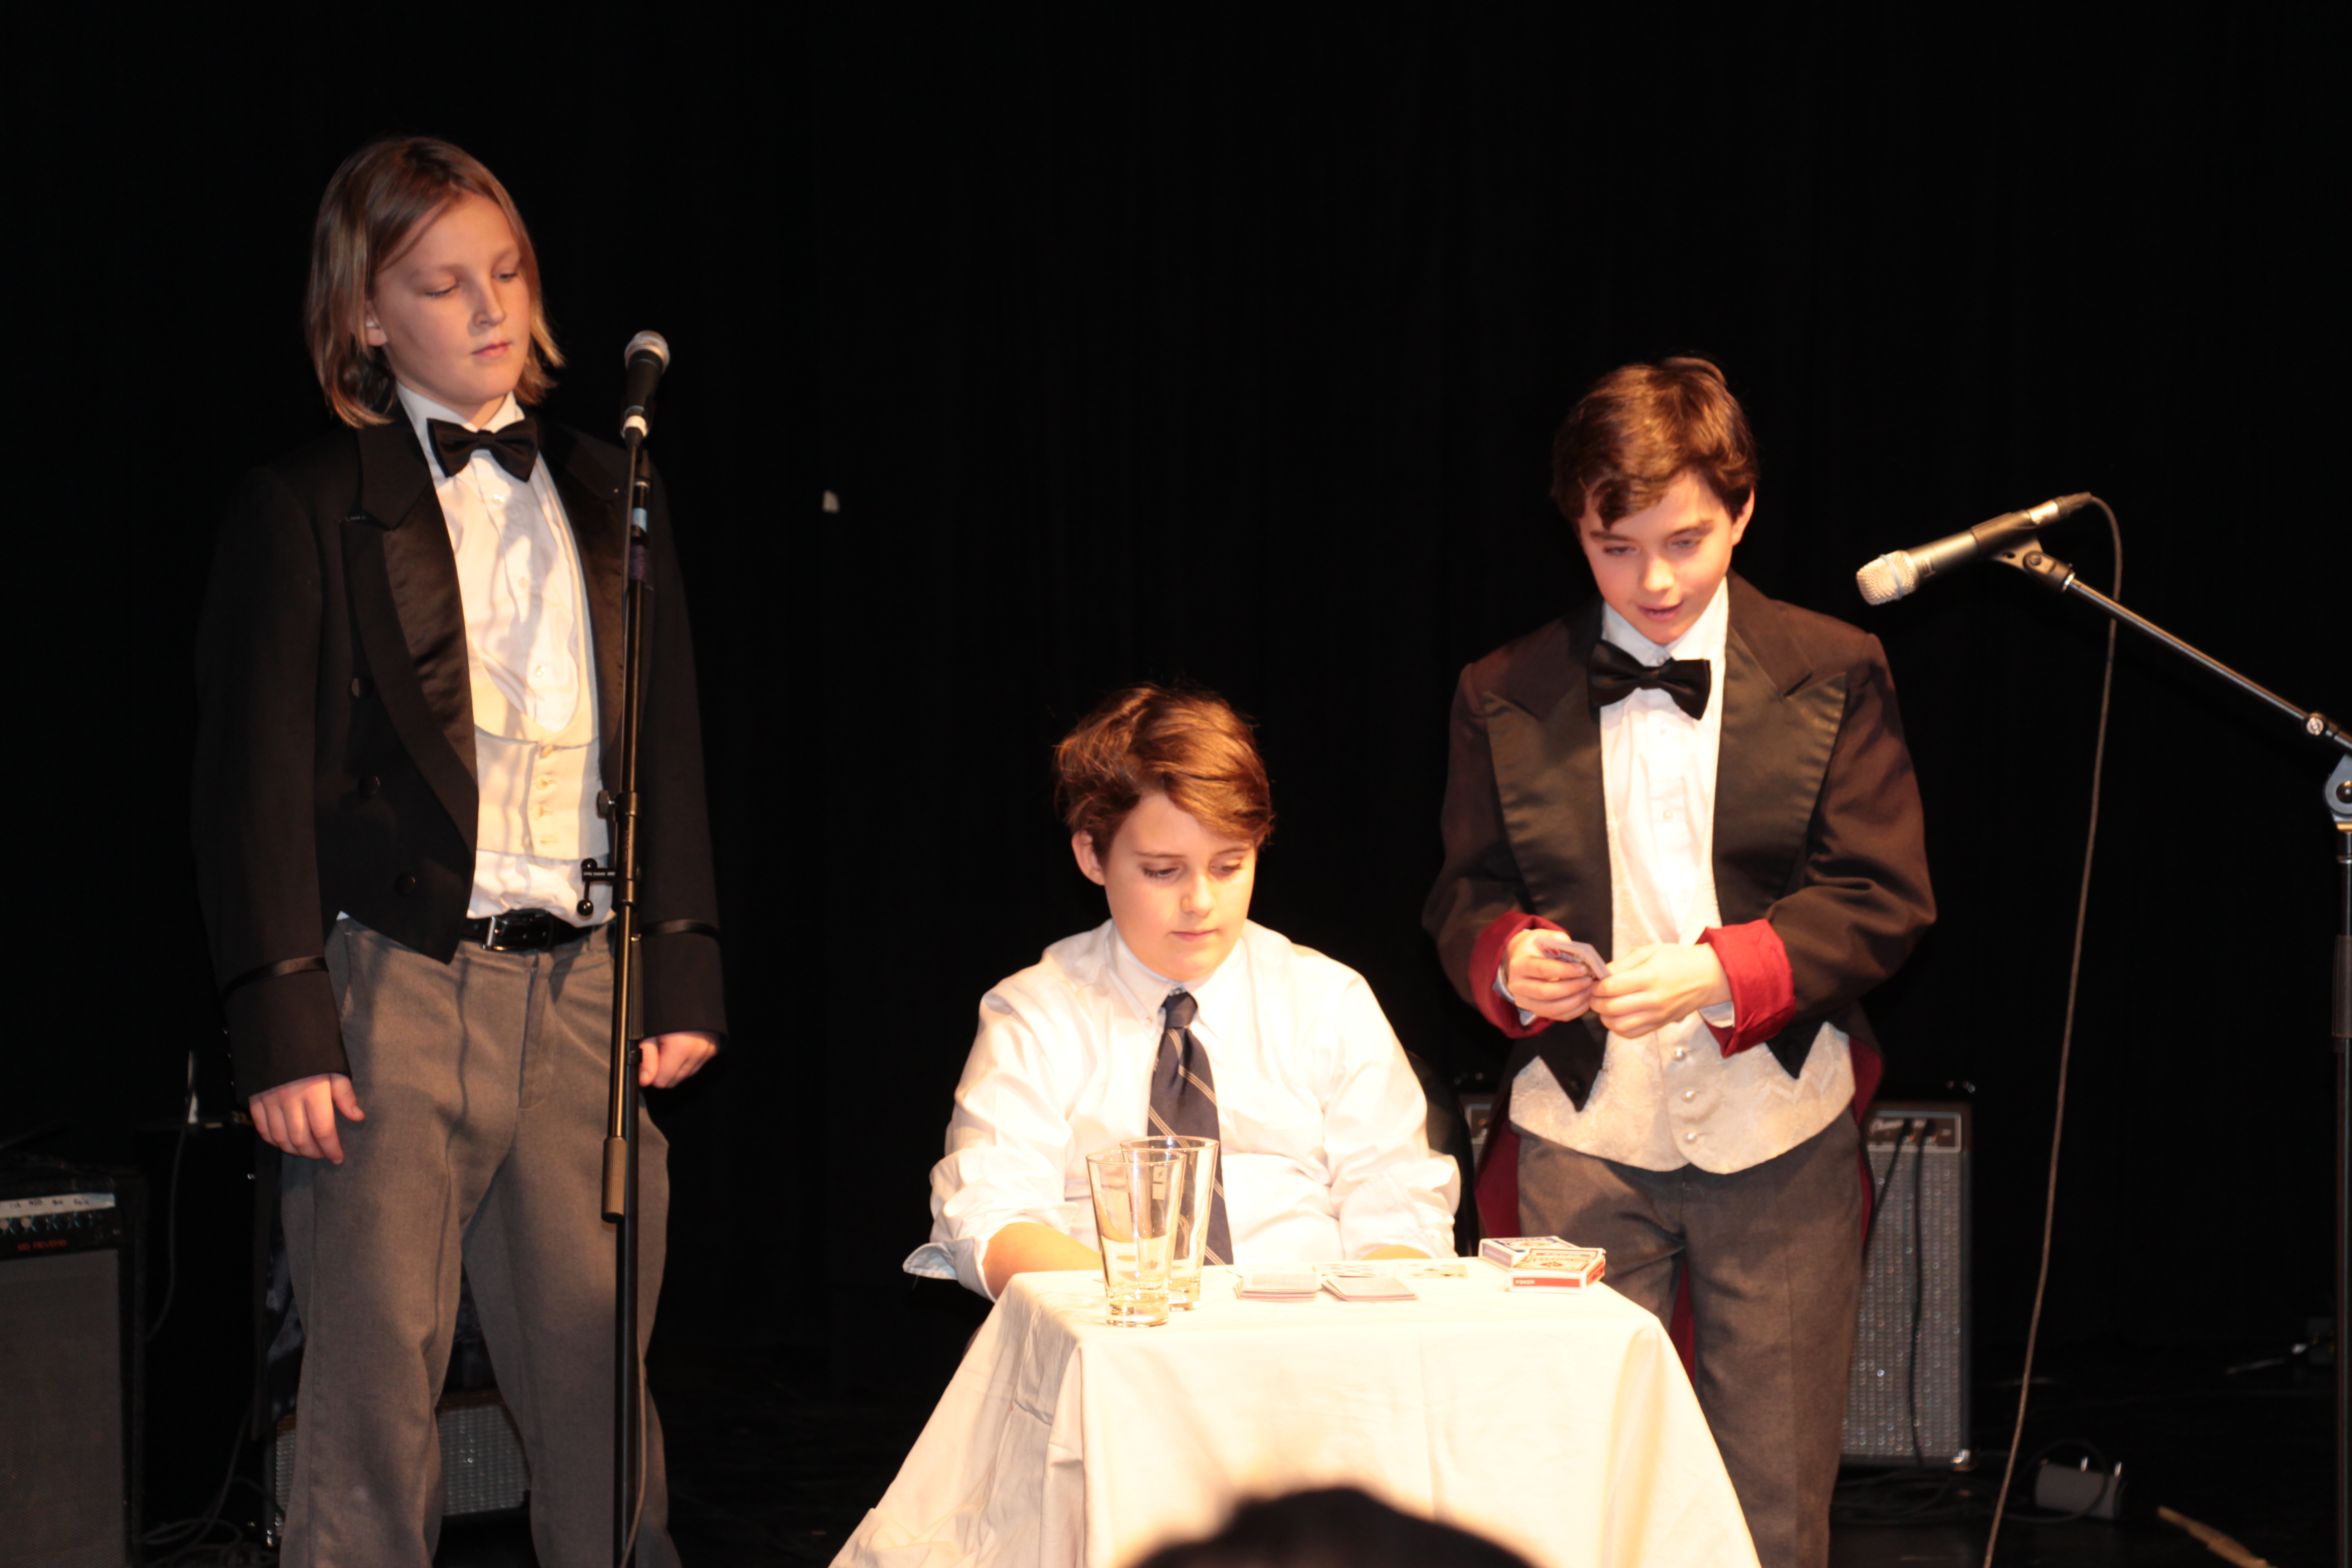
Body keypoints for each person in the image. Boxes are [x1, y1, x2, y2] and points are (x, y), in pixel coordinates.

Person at [191, 137, 726, 1567]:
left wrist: (678, 966)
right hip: (398, 986)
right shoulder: (309, 503)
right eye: (441, 285)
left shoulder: (613, 485)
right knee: (372, 1397)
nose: (490, 309)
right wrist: (284, 1022)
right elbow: (250, 790)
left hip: (588, 988)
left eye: (507, 272)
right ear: (367, 315)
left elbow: (664, 740)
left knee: (601, 1387)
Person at [1421, 358, 1933, 1568]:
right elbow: (1464, 895)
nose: (1655, 581)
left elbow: (1884, 896)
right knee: (1574, 1486)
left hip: (1778, 1132)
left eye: (1687, 541)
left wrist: (1722, 973)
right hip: (1580, 1134)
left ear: (1743, 510)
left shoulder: (1832, 666)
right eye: (1617, 549)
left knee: (1773, 1500)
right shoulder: (1504, 690)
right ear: (1576, 529)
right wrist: (1509, 959)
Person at [907, 685, 1458, 1300]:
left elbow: (1401, 1214)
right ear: (1093, 856)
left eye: (1229, 866)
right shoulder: (1039, 1014)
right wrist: (1151, 1309)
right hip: (1107, 1327)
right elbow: (990, 1216)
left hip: (1310, 1332)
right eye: (1162, 871)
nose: (1201, 901)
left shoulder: (1329, 1003)